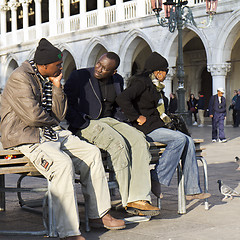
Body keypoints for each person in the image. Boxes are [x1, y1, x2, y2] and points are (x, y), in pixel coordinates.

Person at [0, 39, 126, 240]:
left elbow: (59, 114)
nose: (61, 67)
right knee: (62, 164)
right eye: (58, 65)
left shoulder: (48, 77)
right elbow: (33, 117)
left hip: (50, 130)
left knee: (91, 153)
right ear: (44, 65)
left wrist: (57, 87)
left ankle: (98, 214)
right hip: (26, 134)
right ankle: (68, 231)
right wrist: (52, 120)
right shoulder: (20, 78)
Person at [64, 52, 160, 217]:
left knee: (139, 140)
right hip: (87, 122)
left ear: (113, 71)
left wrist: (125, 124)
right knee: (118, 144)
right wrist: (82, 122)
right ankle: (126, 199)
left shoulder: (117, 80)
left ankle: (139, 198)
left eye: (104, 68)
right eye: (99, 64)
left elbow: (117, 107)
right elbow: (67, 104)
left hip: (111, 121)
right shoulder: (79, 76)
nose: (98, 69)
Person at [116, 51, 211, 201]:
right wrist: (135, 117)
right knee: (179, 139)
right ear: (157, 71)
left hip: (157, 126)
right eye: (165, 71)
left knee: (188, 141)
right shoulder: (142, 83)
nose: (167, 74)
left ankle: (192, 190)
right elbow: (122, 98)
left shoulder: (157, 87)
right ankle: (156, 176)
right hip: (146, 128)